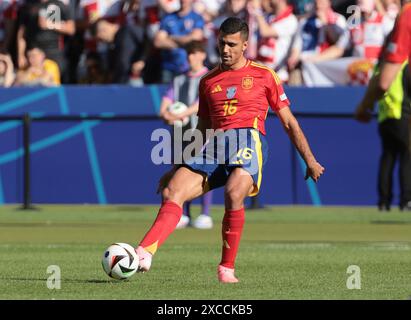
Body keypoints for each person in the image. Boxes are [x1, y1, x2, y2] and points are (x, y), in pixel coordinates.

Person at [135, 17, 324, 283]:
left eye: (232, 44)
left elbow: (289, 121)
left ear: (245, 45)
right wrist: (177, 167)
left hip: (248, 141)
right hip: (214, 144)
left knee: (234, 192)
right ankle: (143, 252)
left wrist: (310, 160)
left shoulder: (264, 75)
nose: (225, 49)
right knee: (172, 190)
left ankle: (226, 268)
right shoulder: (208, 81)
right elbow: (201, 130)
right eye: (222, 43)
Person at [355, 1, 411, 210]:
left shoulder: (406, 19)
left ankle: (385, 201)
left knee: (390, 157)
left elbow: (383, 81)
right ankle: (404, 199)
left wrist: (364, 106)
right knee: (401, 156)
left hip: (390, 112)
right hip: (399, 112)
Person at [158, 41, 214, 229]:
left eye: (194, 53)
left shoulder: (208, 77)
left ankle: (205, 214)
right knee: (181, 169)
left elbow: (200, 103)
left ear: (202, 55)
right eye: (189, 53)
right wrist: (165, 114)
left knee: (201, 172)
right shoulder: (178, 79)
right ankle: (185, 214)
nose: (190, 57)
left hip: (201, 131)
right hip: (180, 132)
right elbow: (167, 99)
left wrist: (181, 114)